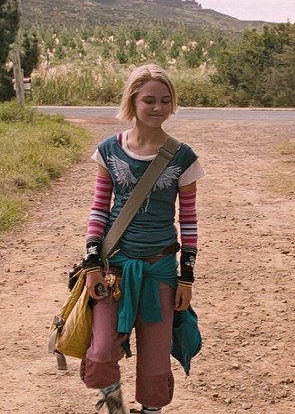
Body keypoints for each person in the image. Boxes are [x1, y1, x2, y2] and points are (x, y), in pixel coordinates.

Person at [79, 64, 204, 414]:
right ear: (133, 101)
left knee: (154, 364)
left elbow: (189, 222)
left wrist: (186, 278)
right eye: (149, 100)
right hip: (113, 271)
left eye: (165, 100)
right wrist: (91, 263)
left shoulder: (183, 157)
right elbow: (99, 209)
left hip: (160, 270)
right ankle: (115, 408)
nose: (158, 108)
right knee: (101, 352)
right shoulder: (109, 150)